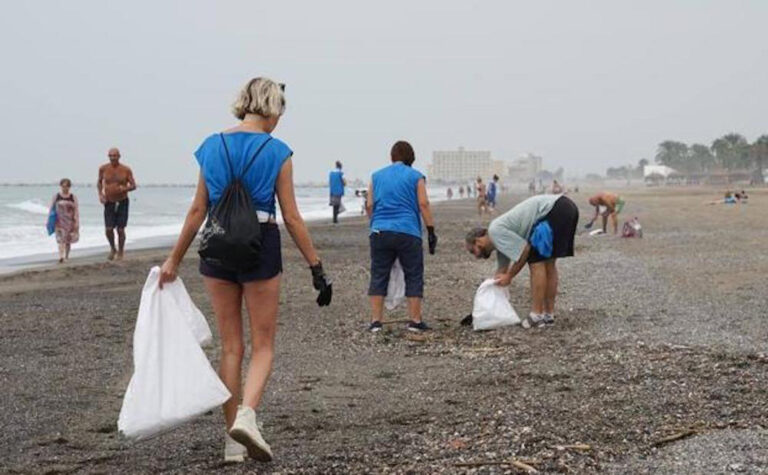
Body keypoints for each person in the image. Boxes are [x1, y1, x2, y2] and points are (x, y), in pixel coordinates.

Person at [158, 77, 332, 464]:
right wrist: (315, 266)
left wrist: (173, 260)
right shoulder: (278, 151)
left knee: (231, 346)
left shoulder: (210, 146)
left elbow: (196, 211)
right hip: (260, 246)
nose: (278, 122)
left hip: (216, 247)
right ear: (271, 108)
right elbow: (291, 217)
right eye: (279, 112)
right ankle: (248, 417)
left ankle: (232, 443)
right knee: (263, 344)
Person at [465, 194, 579, 328]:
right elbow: (501, 272)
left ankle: (536, 315)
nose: (476, 256)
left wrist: (510, 276)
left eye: (473, 251)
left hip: (553, 210)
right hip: (566, 207)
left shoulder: (495, 231)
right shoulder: (500, 240)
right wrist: (483, 306)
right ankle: (548, 315)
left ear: (478, 240)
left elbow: (524, 251)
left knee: (536, 261)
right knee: (549, 264)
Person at [366, 140, 437, 333]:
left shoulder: (376, 176)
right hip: (408, 231)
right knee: (413, 274)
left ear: (392, 156)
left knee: (379, 273)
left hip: (380, 230)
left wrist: (377, 223)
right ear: (411, 157)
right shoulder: (416, 176)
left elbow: (370, 205)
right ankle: (414, 321)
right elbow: (423, 204)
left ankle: (376, 322)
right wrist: (430, 230)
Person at [97, 147, 136, 260]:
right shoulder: (103, 168)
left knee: (120, 229)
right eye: (111, 156)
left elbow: (133, 185)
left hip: (122, 201)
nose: (113, 158)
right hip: (109, 201)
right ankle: (113, 248)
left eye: (115, 156)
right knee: (109, 229)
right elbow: (99, 182)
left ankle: (121, 251)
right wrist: (100, 194)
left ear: (119, 156)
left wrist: (124, 188)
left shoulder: (126, 169)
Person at [49, 178, 79, 263]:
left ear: (69, 187)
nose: (64, 188)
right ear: (60, 186)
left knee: (67, 240)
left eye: (66, 186)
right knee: (60, 240)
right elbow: (51, 208)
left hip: (69, 221)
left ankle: (66, 256)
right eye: (63, 186)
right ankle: (61, 256)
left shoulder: (72, 197)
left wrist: (77, 221)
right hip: (59, 221)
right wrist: (49, 220)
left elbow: (76, 210)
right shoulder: (56, 196)